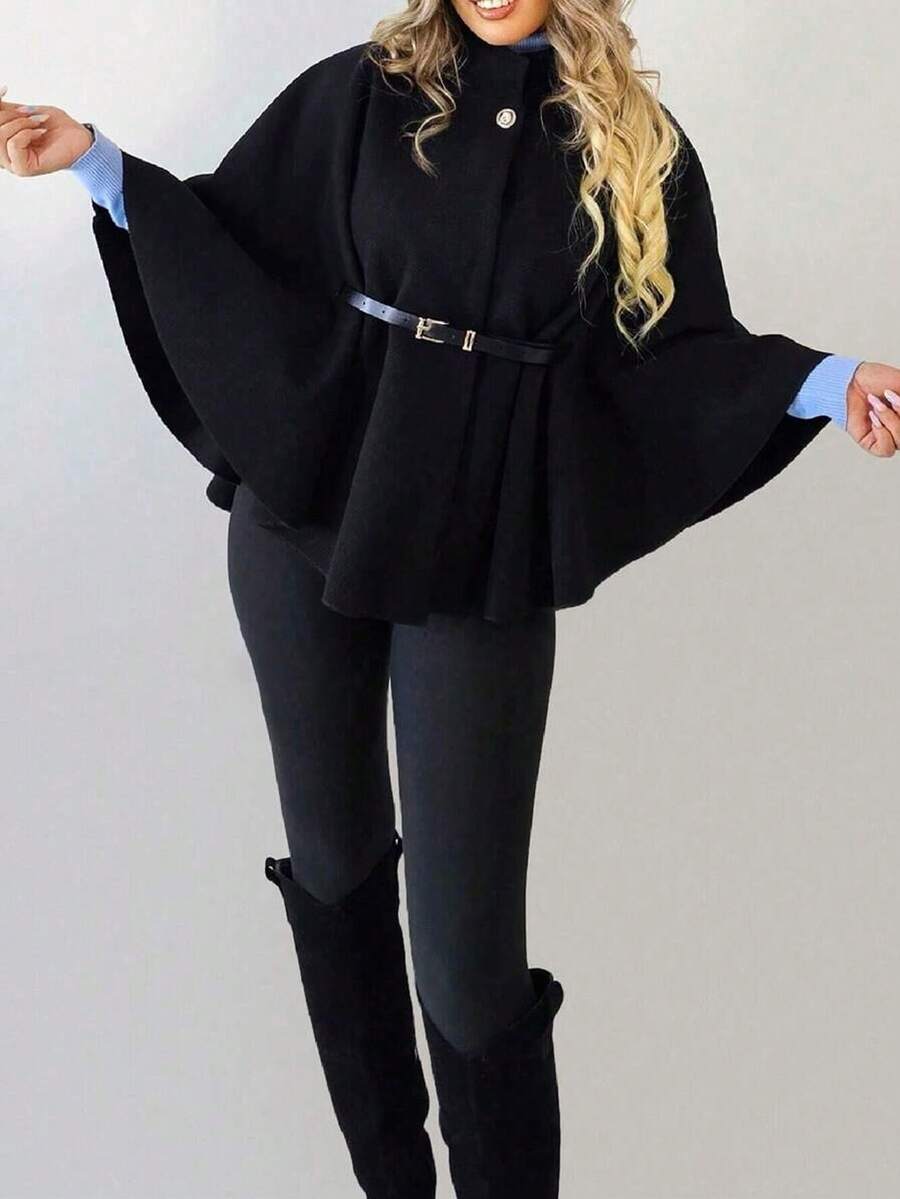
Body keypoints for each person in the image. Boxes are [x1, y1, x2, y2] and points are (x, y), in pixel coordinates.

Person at [2, 1, 897, 1196]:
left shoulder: (639, 143)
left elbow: (682, 360)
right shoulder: (364, 91)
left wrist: (826, 381)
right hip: (306, 519)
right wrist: (99, 165)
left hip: (483, 548)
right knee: (333, 868)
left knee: (470, 965)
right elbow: (232, 237)